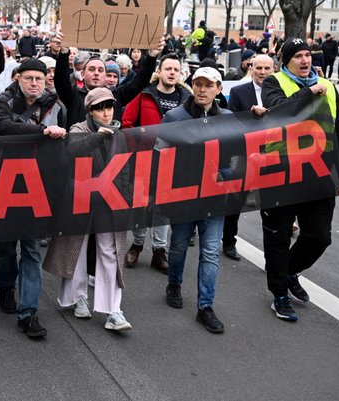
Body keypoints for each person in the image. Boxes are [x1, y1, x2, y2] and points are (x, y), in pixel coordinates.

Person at [261, 37, 339, 322]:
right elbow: (279, 111)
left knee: (320, 236)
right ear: (286, 61)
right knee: (277, 237)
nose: (305, 61)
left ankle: (289, 271)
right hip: (283, 173)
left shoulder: (329, 88)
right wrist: (309, 92)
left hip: (319, 174)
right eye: (298, 56)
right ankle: (279, 295)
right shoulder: (273, 82)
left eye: (308, 55)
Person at [0, 57, 67, 339]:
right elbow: (0, 127)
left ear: (46, 80)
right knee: (8, 246)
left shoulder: (56, 106)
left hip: (40, 187)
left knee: (32, 249)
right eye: (28, 78)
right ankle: (6, 287)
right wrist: (41, 132)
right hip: (7, 184)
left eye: (39, 78)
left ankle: (28, 312)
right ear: (18, 79)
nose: (34, 84)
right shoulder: (3, 102)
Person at [44, 87, 132, 332]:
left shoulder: (121, 135)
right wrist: (98, 137)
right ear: (90, 111)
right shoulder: (78, 129)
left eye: (109, 107)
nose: (105, 112)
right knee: (77, 247)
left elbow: (124, 170)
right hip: (80, 198)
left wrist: (125, 201)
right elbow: (72, 151)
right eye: (99, 108)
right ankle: (77, 297)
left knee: (110, 250)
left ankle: (113, 310)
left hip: (109, 200)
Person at [163, 65, 232, 334]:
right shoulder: (174, 116)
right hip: (184, 197)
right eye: (198, 83)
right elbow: (160, 154)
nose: (202, 89)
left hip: (215, 199)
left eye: (208, 84)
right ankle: (174, 283)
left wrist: (226, 176)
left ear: (218, 89)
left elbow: (236, 155)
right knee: (179, 246)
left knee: (211, 251)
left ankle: (205, 306)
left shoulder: (227, 118)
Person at [121, 54, 188, 272]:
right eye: (168, 68)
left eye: (176, 70)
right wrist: (137, 146)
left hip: (172, 162)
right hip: (144, 159)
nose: (171, 73)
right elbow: (127, 122)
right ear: (159, 71)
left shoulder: (186, 99)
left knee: (162, 208)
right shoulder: (143, 95)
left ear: (180, 74)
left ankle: (159, 250)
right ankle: (137, 244)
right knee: (140, 204)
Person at [223, 54, 274, 260]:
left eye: (267, 69)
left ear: (273, 69)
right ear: (251, 68)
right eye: (258, 68)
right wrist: (251, 117)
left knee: (271, 205)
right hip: (245, 154)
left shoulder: (280, 92)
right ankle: (229, 242)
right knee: (236, 200)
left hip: (271, 154)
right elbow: (230, 121)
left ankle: (273, 253)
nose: (262, 72)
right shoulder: (238, 91)